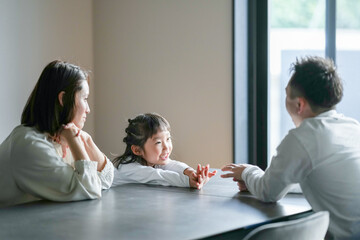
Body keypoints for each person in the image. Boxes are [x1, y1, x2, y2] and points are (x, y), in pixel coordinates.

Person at [221, 56, 360, 240]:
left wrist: (247, 172)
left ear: (299, 104)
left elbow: (267, 192)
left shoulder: (303, 137)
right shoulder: (352, 127)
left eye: (287, 94)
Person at [0, 60, 114, 208]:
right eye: (84, 99)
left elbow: (106, 178)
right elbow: (90, 189)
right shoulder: (29, 144)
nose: (88, 109)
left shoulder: (62, 136)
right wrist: (75, 140)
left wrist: (85, 139)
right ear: (63, 99)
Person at [112, 113, 216, 189]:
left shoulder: (152, 160)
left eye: (168, 139)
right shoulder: (128, 168)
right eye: (158, 143)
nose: (166, 147)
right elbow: (159, 176)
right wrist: (189, 181)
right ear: (137, 150)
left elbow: (171, 164)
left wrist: (191, 173)